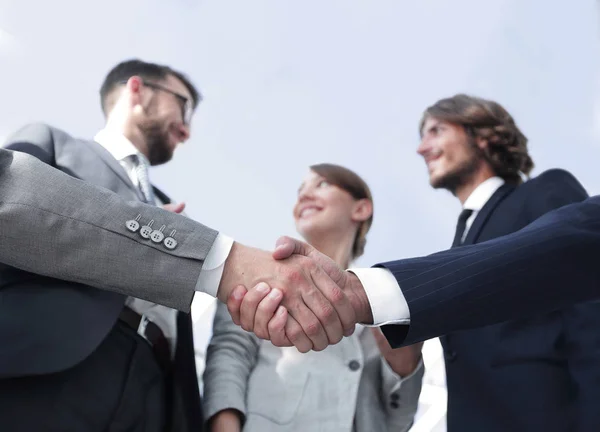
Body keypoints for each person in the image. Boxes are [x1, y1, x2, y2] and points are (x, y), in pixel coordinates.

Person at [0, 60, 355, 432]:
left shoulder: (170, 206)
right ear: (137, 89)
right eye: (183, 106)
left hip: (156, 394)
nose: (186, 131)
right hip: (48, 367)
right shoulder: (52, 144)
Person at [416, 94, 600, 431]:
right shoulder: (457, 242)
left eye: (436, 131)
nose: (422, 148)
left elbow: (591, 310)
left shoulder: (543, 194)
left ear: (484, 136)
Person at [203, 164, 424, 432]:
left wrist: (404, 369)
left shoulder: (381, 305)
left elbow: (397, 421)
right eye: (300, 190)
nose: (304, 196)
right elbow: (229, 356)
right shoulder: (256, 272)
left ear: (361, 209)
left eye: (321, 184)